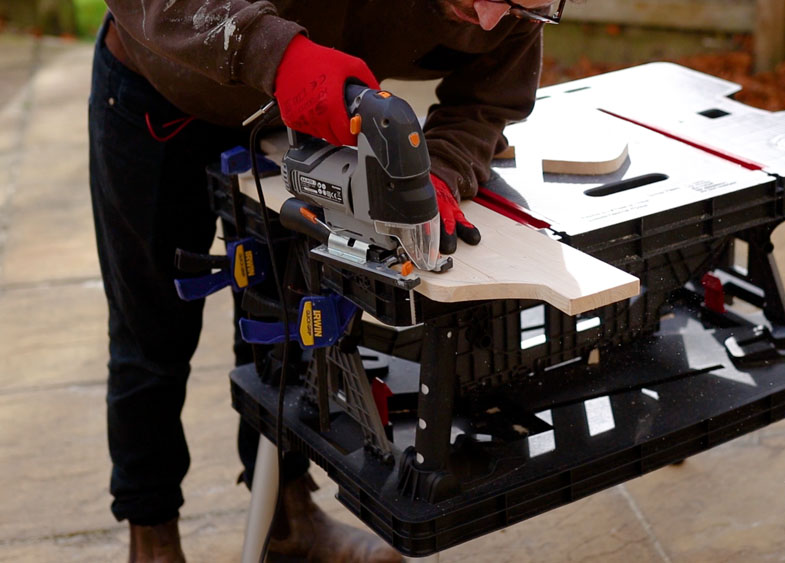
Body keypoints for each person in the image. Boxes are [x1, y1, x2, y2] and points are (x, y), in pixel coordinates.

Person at [88, 0, 564, 560]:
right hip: (163, 97)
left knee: (284, 323)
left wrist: (442, 169)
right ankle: (151, 536)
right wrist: (273, 51)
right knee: (151, 332)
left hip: (293, 119)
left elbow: (488, 96)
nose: (492, 21)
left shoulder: (513, 9)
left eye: (530, 4)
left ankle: (288, 520)